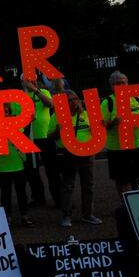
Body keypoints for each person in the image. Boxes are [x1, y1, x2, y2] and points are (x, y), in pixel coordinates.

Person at [49, 90, 102, 227]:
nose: (74, 102)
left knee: (88, 185)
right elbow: (49, 137)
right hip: (68, 155)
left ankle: (88, 214)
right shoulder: (57, 116)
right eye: (70, 100)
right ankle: (66, 215)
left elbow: (99, 132)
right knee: (67, 186)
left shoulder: (87, 114)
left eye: (75, 99)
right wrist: (57, 131)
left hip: (87, 154)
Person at [101, 70, 139, 196]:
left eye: (123, 82)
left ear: (128, 83)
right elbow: (100, 127)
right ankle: (126, 206)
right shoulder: (107, 103)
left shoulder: (138, 99)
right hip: (118, 148)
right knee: (122, 179)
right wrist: (113, 123)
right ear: (112, 86)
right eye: (117, 83)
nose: (121, 86)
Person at [0, 103, 33, 226]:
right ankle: (8, 217)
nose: (6, 112)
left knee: (21, 191)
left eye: (7, 110)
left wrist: (29, 121)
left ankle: (24, 215)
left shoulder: (15, 123)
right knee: (5, 193)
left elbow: (21, 135)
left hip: (18, 163)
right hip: (2, 164)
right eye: (3, 110)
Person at [21, 75, 57, 207]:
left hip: (46, 137)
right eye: (29, 80)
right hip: (29, 139)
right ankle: (38, 198)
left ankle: (58, 198)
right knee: (32, 172)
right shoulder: (20, 97)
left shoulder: (43, 92)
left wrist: (35, 90)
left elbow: (50, 103)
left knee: (52, 170)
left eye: (34, 79)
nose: (33, 82)